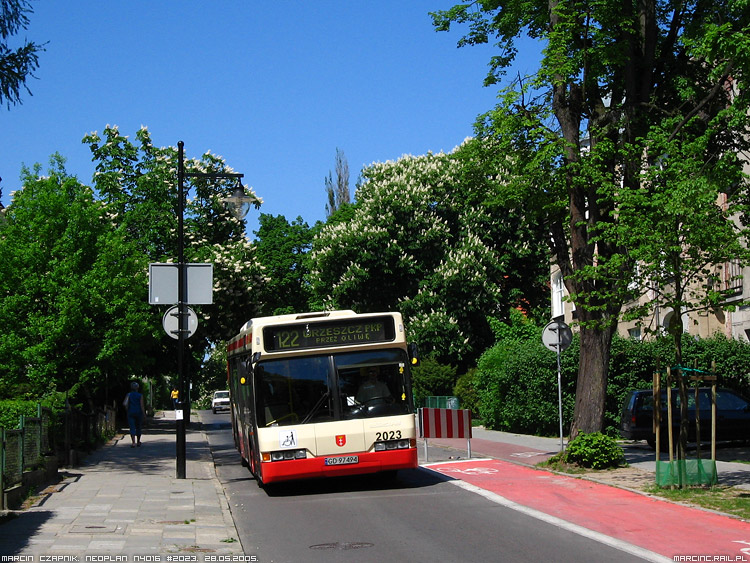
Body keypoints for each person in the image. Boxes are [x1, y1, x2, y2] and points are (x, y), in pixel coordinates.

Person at [123, 381, 146, 447]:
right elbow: (142, 405)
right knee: (138, 427)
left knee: (132, 427)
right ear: (137, 388)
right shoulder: (140, 395)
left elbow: (125, 404)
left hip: (130, 412)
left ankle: (133, 442)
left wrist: (127, 410)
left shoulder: (128, 395)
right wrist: (144, 414)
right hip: (138, 412)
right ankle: (138, 441)